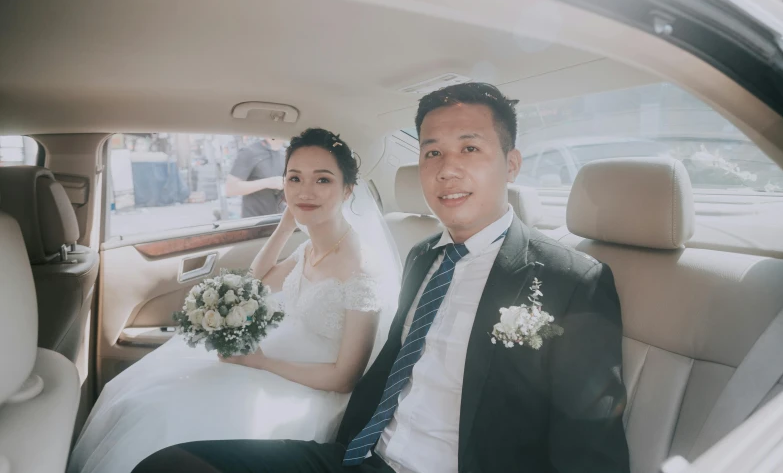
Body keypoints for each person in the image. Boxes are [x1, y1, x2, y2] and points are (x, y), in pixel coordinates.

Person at [132, 83, 630, 473]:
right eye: (432, 152)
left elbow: (591, 452)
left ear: (511, 165)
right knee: (167, 465)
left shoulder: (571, 281)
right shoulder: (421, 258)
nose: (447, 170)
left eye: (470, 149)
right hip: (359, 459)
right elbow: (390, 367)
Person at [67, 129, 400, 473]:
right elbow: (256, 282)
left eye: (323, 180)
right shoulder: (309, 247)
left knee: (171, 415)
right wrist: (286, 226)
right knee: (147, 396)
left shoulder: (361, 266)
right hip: (282, 358)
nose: (305, 191)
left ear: (347, 189)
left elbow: (344, 378)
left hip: (314, 385)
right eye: (294, 178)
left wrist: (261, 363)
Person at [225, 137, 288, 218]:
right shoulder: (249, 152)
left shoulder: (286, 154)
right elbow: (230, 189)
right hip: (254, 222)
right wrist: (268, 182)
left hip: (279, 220)